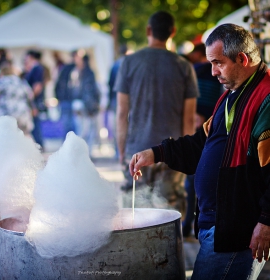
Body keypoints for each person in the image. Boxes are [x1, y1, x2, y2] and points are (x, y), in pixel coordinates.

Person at [129, 23, 270, 279]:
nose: (213, 72)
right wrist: (156, 153)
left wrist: (266, 222)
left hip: (237, 232)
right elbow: (201, 144)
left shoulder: (266, 98)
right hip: (218, 225)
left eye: (218, 63)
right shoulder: (232, 94)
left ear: (242, 58)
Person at [115, 11, 199, 213]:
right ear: (173, 31)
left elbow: (121, 112)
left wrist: (122, 150)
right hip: (172, 152)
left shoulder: (128, 63)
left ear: (148, 30)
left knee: (135, 214)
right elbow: (189, 118)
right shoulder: (184, 66)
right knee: (169, 215)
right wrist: (187, 153)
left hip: (136, 149)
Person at [182, 43, 222, 237]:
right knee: (195, 183)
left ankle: (190, 223)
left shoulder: (197, 72)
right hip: (204, 131)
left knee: (193, 183)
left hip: (202, 130)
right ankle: (191, 222)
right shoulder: (215, 73)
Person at [55, 51, 100, 153]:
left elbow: (91, 89)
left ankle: (83, 152)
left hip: (84, 104)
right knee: (71, 128)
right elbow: (60, 85)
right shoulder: (68, 69)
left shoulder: (87, 72)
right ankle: (69, 151)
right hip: (70, 102)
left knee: (84, 130)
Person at [0, 61, 34, 135]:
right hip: (22, 114)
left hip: (4, 114)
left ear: (2, 72)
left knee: (4, 137)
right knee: (23, 136)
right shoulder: (21, 82)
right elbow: (30, 95)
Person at [24, 50, 46, 148]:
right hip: (33, 101)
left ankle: (39, 145)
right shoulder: (34, 68)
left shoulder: (37, 68)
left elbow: (37, 86)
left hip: (34, 102)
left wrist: (31, 99)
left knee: (35, 125)